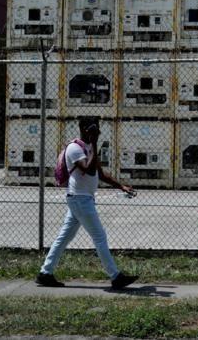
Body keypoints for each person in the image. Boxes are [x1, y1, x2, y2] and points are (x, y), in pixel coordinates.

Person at [36, 117, 138, 289]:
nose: (95, 130)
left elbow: (100, 174)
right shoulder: (75, 148)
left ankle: (45, 273)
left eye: (97, 127)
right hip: (80, 199)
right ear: (83, 128)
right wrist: (95, 144)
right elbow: (88, 171)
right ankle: (115, 276)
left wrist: (121, 186)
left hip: (80, 199)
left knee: (64, 237)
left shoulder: (88, 148)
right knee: (99, 236)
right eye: (92, 127)